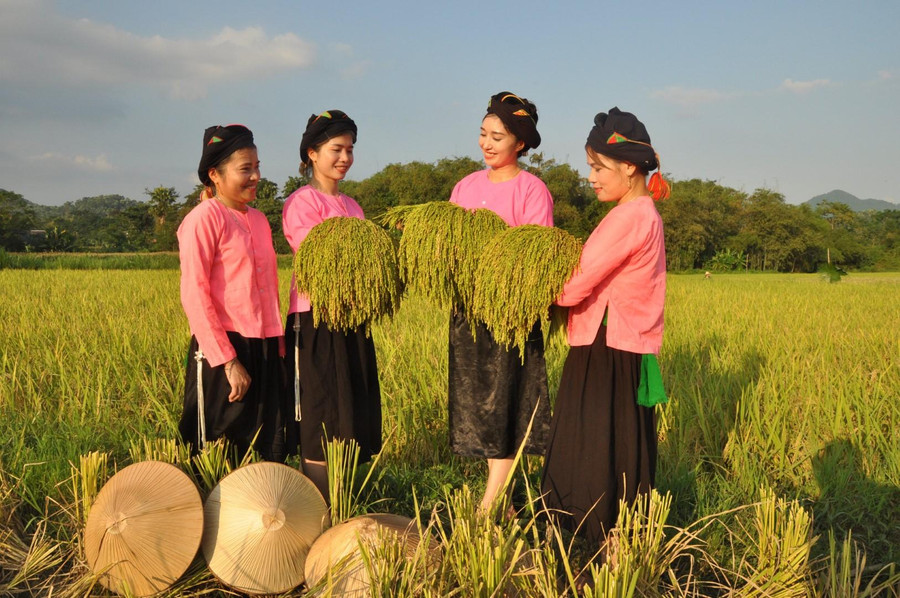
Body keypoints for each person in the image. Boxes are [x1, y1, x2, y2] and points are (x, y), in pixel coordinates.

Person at [541, 107, 669, 547]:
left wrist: (538, 285)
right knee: (617, 440)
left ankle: (587, 533)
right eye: (590, 167)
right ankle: (617, 532)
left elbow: (574, 285)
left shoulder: (628, 217)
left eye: (598, 167)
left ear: (629, 167)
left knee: (593, 439)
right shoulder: (642, 212)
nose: (591, 177)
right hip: (623, 344)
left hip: (605, 345)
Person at [448, 91, 553, 512]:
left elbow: (536, 255)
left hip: (510, 316)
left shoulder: (533, 190)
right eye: (483, 133)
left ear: (520, 144)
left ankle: (491, 502)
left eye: (498, 136)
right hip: (467, 314)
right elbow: (449, 246)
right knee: (477, 403)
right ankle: (501, 498)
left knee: (506, 401)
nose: (487, 143)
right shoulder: (465, 186)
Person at [282, 110, 381, 499]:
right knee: (321, 411)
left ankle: (342, 502)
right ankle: (317, 505)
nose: (345, 157)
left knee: (349, 411)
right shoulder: (301, 203)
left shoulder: (354, 207)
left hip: (352, 319)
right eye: (336, 149)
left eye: (350, 149)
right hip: (315, 319)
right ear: (311, 153)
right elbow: (319, 260)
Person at [177, 124, 287, 462]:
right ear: (215, 174)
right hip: (224, 349)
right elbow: (195, 294)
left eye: (257, 167)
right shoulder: (203, 219)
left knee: (264, 445)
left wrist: (278, 350)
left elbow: (269, 293)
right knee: (216, 449)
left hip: (265, 345)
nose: (255, 176)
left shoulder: (258, 220)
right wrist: (227, 361)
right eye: (245, 169)